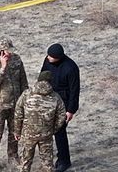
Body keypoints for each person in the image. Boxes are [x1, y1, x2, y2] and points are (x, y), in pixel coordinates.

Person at [0, 38, 29, 171]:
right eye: (6, 52)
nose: (9, 54)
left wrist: (25, 98)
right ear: (0, 50)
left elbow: (23, 80)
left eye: (10, 51)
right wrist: (2, 67)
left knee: (14, 131)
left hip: (15, 103)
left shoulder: (16, 60)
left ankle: (13, 156)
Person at [13, 71, 67, 172]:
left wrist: (17, 131)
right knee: (47, 163)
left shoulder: (26, 94)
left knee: (25, 162)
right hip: (46, 135)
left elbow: (18, 113)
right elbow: (62, 115)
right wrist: (53, 129)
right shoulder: (56, 97)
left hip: (28, 134)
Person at [41, 43, 80, 172]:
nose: (48, 58)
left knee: (59, 132)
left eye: (51, 56)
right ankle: (51, 158)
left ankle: (64, 161)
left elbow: (75, 90)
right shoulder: (47, 61)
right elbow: (42, 79)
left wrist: (71, 110)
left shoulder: (71, 68)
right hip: (48, 100)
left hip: (63, 104)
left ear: (58, 57)